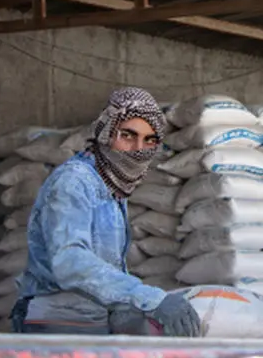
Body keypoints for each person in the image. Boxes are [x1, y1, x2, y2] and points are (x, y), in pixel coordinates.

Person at [10, 87, 200, 337]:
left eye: (149, 141)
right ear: (106, 132)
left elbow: (105, 268)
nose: (137, 149)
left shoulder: (112, 188)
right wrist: (149, 299)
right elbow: (70, 261)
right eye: (128, 136)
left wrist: (122, 306)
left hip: (91, 320)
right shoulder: (74, 182)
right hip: (55, 322)